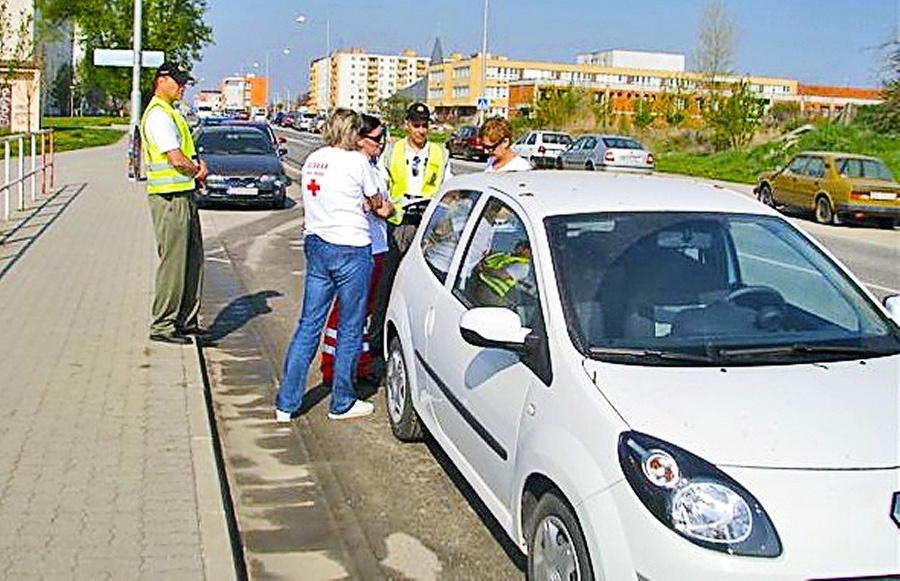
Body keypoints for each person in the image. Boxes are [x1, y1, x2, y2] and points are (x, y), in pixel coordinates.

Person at [275, 108, 390, 422]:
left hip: (316, 243)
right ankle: (341, 402)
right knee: (350, 327)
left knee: (308, 324)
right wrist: (374, 202)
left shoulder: (314, 158)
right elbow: (378, 203)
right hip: (351, 248)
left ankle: (286, 403)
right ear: (352, 133)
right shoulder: (357, 161)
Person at [370, 102, 452, 377]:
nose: (421, 130)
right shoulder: (392, 151)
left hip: (428, 224)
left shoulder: (439, 153)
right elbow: (381, 184)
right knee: (387, 283)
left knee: (425, 284)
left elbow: (447, 187)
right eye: (416, 125)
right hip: (398, 223)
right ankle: (377, 342)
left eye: (425, 125)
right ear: (407, 125)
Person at [139, 61, 209, 345]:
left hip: (183, 195)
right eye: (178, 81)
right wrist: (197, 170)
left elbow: (185, 153)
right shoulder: (158, 115)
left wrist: (195, 171)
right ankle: (163, 324)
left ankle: (185, 321)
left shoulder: (172, 113)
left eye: (184, 82)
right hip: (170, 199)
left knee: (193, 261)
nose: (182, 87)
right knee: (175, 263)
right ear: (161, 80)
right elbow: (175, 158)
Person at [319, 113, 390, 385]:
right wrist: (380, 206)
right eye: (375, 139)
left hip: (378, 244)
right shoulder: (354, 166)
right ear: (359, 139)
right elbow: (377, 205)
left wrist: (382, 206)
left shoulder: (374, 166)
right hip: (360, 247)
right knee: (346, 310)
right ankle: (331, 367)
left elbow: (385, 203)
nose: (380, 144)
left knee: (363, 313)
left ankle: (358, 366)